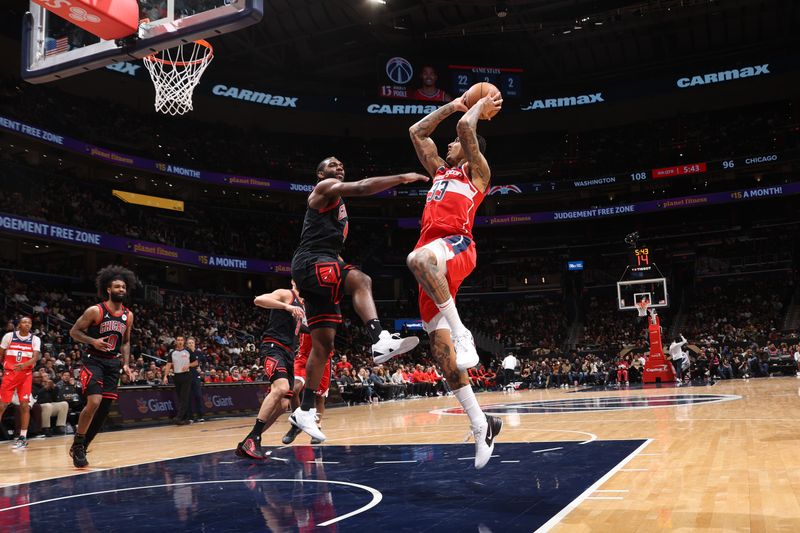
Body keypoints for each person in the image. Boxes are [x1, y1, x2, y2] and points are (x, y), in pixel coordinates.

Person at [288, 158, 427, 441]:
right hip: (311, 262)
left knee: (323, 345)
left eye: (342, 164)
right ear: (320, 173)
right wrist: (400, 177)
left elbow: (331, 247)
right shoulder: (325, 187)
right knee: (362, 280)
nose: (339, 166)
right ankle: (379, 339)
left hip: (320, 265)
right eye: (332, 164)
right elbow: (363, 187)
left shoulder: (336, 203)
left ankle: (304, 410)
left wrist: (340, 266)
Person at [405, 92, 503, 468]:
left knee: (417, 258)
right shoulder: (440, 172)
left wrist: (477, 104)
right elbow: (417, 131)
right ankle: (482, 424)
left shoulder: (477, 174)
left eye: (455, 144)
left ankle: (463, 332)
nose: (447, 143)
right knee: (443, 358)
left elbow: (464, 129)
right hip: (432, 261)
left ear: (467, 148)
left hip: (457, 247)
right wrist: (455, 103)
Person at [68, 265, 137, 468]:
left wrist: (126, 365)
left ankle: (81, 446)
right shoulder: (95, 311)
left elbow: (125, 341)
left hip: (113, 364)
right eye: (117, 286)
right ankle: (79, 442)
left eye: (124, 287)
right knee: (94, 402)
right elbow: (74, 332)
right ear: (108, 289)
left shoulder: (128, 315)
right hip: (94, 360)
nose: (121, 290)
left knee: (104, 409)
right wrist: (92, 341)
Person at [236, 281, 306, 459]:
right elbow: (259, 300)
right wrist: (287, 307)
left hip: (289, 354)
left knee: (283, 405)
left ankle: (250, 439)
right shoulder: (286, 294)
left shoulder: (306, 304)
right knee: (281, 388)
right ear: (294, 280)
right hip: (274, 346)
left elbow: (302, 327)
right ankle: (254, 438)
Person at [282, 332, 332, 445]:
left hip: (322, 356)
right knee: (294, 390)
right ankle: (296, 425)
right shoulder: (302, 315)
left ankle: (317, 427)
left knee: (319, 397)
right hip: (303, 356)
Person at [0, 317, 41, 449]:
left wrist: (24, 365)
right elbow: (1, 354)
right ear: (19, 325)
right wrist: (7, 366)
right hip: (10, 374)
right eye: (24, 322)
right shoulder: (9, 336)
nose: (27, 324)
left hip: (26, 375)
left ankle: (22, 437)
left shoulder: (35, 339)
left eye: (29, 322)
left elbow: (35, 357)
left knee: (25, 405)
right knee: (2, 405)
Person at [162, 335, 195, 425]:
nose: (180, 341)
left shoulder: (188, 351)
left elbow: (196, 362)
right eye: (178, 340)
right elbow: (168, 365)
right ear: (176, 341)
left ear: (184, 342)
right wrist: (165, 376)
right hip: (176, 376)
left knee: (184, 397)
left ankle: (178, 417)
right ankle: (186, 418)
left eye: (181, 340)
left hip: (186, 376)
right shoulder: (172, 353)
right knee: (181, 397)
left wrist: (188, 365)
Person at [186, 337, 205, 422]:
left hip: (196, 377)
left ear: (194, 343)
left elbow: (204, 361)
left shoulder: (199, 353)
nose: (190, 344)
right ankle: (190, 417)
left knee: (198, 396)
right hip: (187, 377)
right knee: (188, 397)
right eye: (189, 343)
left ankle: (200, 416)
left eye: (192, 343)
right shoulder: (185, 353)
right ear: (187, 344)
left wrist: (202, 369)